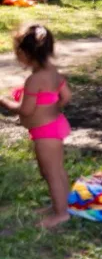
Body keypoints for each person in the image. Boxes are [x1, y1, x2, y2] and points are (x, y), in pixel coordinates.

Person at [0, 25, 72, 228]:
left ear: (24, 53)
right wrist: (52, 108)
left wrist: (5, 102)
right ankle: (61, 204)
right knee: (55, 170)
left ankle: (61, 213)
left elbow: (25, 110)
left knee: (51, 173)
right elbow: (66, 96)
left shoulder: (34, 80)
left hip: (45, 133)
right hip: (54, 126)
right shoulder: (53, 73)